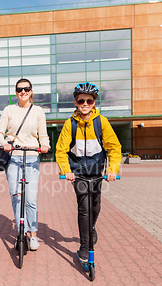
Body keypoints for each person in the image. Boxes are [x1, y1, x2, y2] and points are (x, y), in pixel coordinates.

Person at [55, 82, 121, 265]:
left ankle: (91, 228)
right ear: (75, 102)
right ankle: (84, 247)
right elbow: (61, 150)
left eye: (89, 101)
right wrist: (66, 171)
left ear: (94, 103)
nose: (85, 104)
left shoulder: (102, 122)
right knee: (84, 208)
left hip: (97, 170)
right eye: (81, 100)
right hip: (78, 173)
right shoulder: (70, 124)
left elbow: (114, 147)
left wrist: (112, 170)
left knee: (95, 206)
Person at [0, 78, 50, 251]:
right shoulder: (9, 110)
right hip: (13, 158)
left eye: (26, 89)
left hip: (32, 157)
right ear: (16, 92)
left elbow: (43, 135)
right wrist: (3, 142)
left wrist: (45, 145)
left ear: (31, 91)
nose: (23, 92)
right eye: (20, 89)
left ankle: (33, 234)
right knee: (16, 196)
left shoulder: (38, 111)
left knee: (31, 199)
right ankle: (22, 232)